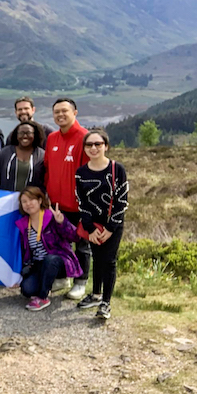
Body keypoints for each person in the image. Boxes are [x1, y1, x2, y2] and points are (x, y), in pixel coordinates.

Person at [75, 129, 129, 320]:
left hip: (113, 225)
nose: (94, 148)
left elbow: (122, 201)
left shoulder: (117, 169)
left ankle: (106, 303)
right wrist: (90, 229)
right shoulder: (81, 173)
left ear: (106, 146)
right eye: (89, 145)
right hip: (93, 225)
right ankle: (96, 294)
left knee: (109, 261)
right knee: (97, 259)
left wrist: (110, 228)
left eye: (98, 144)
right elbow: (82, 203)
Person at [44, 98, 91, 299]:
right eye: (57, 112)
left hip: (79, 205)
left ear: (75, 112)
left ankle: (81, 281)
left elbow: (90, 173)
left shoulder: (85, 137)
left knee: (81, 244)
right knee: (60, 243)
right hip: (56, 205)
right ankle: (63, 278)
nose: (60, 115)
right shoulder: (52, 138)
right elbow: (47, 169)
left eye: (65, 111)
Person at [15, 187, 83, 311]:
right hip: (38, 264)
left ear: (40, 200)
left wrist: (62, 223)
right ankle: (51, 282)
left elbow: (75, 237)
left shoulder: (51, 216)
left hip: (58, 260)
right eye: (24, 201)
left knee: (50, 260)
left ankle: (43, 297)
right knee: (27, 289)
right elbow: (23, 252)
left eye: (31, 200)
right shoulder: (23, 224)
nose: (28, 204)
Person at [0, 121, 45, 191]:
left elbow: (45, 181)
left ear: (35, 134)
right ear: (16, 135)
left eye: (28, 133)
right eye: (21, 133)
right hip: (7, 199)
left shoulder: (42, 156)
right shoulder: (5, 152)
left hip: (30, 200)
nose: (25, 136)